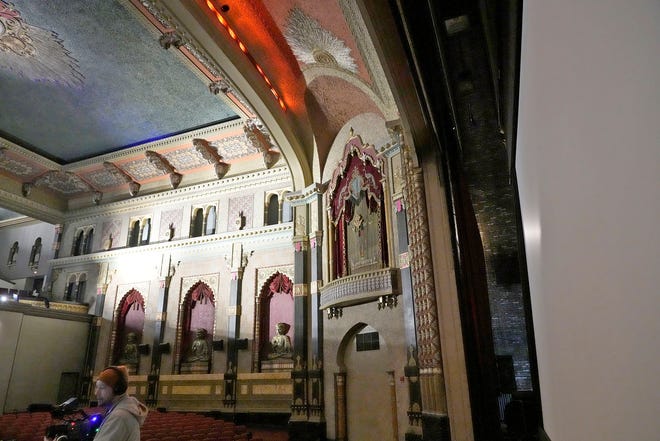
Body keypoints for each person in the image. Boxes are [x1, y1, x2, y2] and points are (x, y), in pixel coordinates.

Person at [94, 365, 148, 441]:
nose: (96, 393)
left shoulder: (119, 417)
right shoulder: (122, 412)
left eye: (102, 388)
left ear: (118, 389)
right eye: (97, 387)